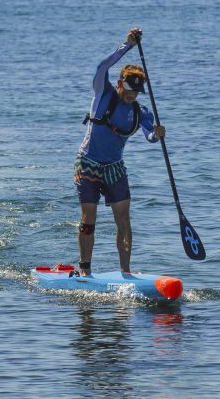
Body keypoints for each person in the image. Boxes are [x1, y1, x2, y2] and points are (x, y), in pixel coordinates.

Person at [74, 27, 165, 275]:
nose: (131, 95)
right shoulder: (103, 93)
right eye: (128, 89)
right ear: (119, 83)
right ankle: (85, 270)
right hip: (88, 162)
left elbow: (149, 136)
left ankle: (126, 272)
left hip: (115, 166)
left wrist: (156, 134)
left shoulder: (140, 111)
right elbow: (101, 67)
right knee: (88, 220)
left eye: (136, 92)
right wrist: (127, 46)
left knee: (124, 220)